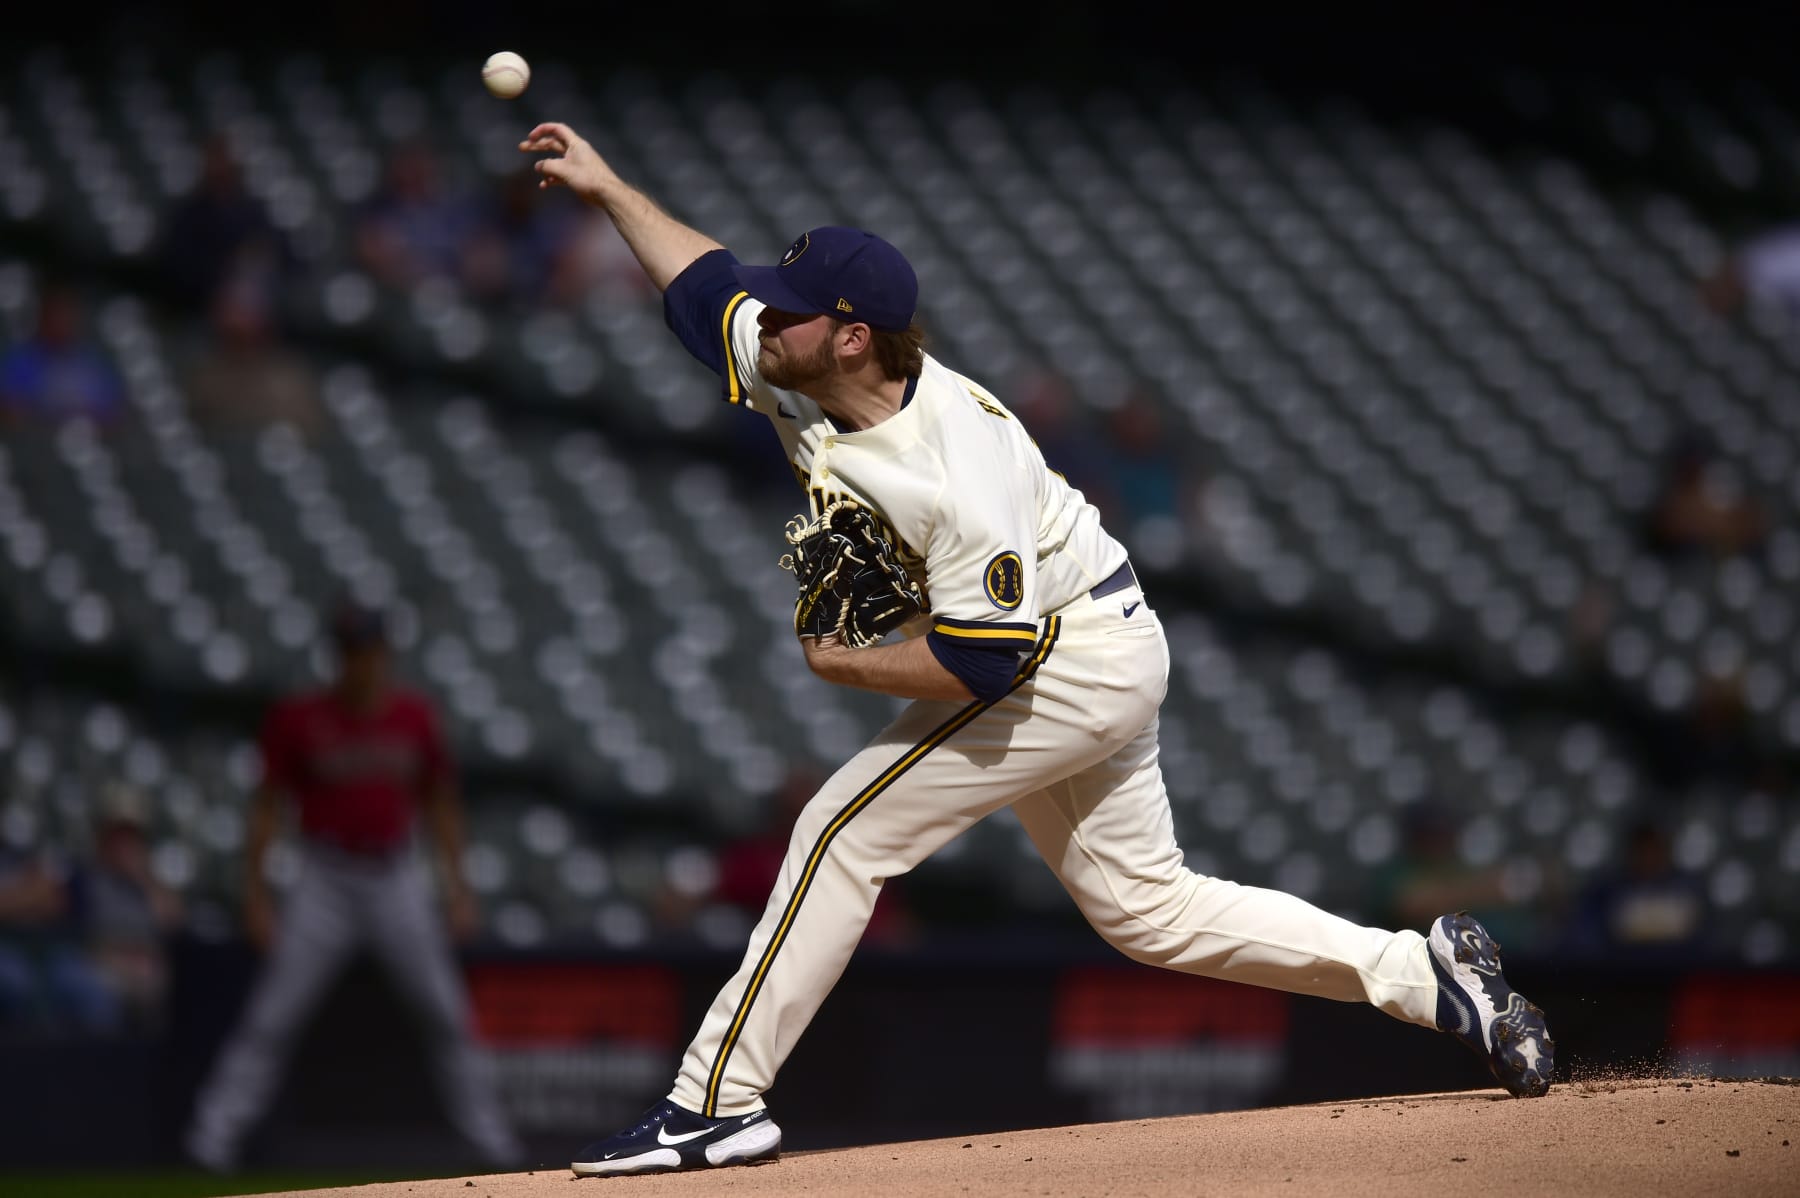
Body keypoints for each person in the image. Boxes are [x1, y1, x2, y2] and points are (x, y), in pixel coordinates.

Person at [519, 120, 1555, 1179]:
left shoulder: (956, 467)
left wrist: (841, 662)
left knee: (841, 833)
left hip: (1069, 653)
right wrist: (608, 187)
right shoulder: (802, 359)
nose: (764, 318)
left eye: (788, 308)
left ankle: (713, 1104)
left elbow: (987, 664)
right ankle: (1428, 977)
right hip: (1090, 635)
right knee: (1147, 910)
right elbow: (703, 286)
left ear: (852, 337)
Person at [184, 600, 520, 1172]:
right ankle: (209, 1141)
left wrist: (459, 887)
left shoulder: (413, 716)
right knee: (273, 1016)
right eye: (350, 650)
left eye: (367, 650)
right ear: (337, 656)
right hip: (324, 877)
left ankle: (493, 1145)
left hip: (395, 875)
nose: (360, 662)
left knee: (445, 1012)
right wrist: (256, 895)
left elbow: (441, 803)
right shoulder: (299, 718)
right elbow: (266, 808)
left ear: (384, 654)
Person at [0, 285, 124, 426]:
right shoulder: (22, 361)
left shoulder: (90, 364)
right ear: (43, 318)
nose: (61, 322)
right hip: (36, 435)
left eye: (67, 315)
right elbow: (9, 409)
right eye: (56, 315)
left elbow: (111, 413)